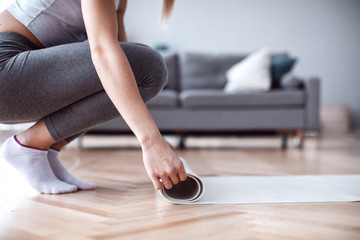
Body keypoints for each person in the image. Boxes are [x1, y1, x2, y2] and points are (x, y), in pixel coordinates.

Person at [0, 0, 187, 194]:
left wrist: (156, 138)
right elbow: (105, 53)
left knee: (131, 75)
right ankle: (29, 145)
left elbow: (122, 67)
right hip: (5, 68)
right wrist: (152, 142)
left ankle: (45, 151)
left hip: (17, 81)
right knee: (150, 67)